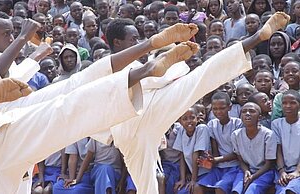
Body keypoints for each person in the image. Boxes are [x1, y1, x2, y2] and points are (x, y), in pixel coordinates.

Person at [0, 21, 200, 193]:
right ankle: (144, 62)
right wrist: (25, 43)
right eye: (6, 32)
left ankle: (145, 63)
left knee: (71, 97)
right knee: (70, 100)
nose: (11, 36)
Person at [79, 12, 290, 194]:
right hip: (142, 110)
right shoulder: (112, 66)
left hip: (134, 118)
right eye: (133, 39)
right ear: (117, 42)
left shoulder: (108, 67)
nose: (137, 43)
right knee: (201, 77)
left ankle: (169, 68)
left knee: (147, 181)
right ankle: (253, 39)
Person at [197, 92, 243, 194]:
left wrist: (216, 160)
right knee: (197, 187)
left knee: (219, 188)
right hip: (219, 167)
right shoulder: (212, 124)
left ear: (229, 107)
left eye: (222, 108)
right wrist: (209, 159)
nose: (218, 112)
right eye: (215, 109)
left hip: (234, 166)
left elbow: (238, 153)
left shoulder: (238, 123)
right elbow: (215, 149)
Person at [231, 102, 276, 194]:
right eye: (244, 111)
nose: (247, 114)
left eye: (251, 111)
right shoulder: (236, 135)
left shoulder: (268, 134)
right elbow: (240, 159)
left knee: (251, 191)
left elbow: (269, 164)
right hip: (246, 170)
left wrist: (253, 177)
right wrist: (246, 171)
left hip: (264, 172)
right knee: (236, 190)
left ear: (259, 117)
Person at [173, 108, 211, 194]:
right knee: (179, 190)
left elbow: (196, 154)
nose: (189, 121)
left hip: (206, 172)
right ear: (180, 121)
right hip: (194, 173)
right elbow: (182, 156)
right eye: (185, 119)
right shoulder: (181, 131)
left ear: (197, 118)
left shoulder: (202, 129)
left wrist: (194, 180)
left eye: (192, 118)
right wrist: (182, 179)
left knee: (196, 188)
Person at [272, 90, 300, 194]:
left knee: (291, 190)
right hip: (282, 169)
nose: (288, 106)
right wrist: (282, 171)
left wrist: (297, 171)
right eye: (284, 103)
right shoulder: (276, 124)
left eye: (292, 103)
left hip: (298, 169)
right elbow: (278, 149)